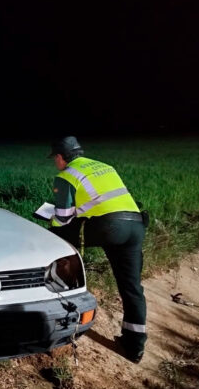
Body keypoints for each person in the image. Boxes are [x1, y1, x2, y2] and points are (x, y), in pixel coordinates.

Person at [47, 136, 147, 363]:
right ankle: (134, 346)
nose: (56, 163)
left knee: (56, 236)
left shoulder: (66, 175)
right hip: (135, 225)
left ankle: (60, 290)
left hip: (110, 227)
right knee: (131, 286)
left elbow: (62, 220)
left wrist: (50, 221)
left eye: (55, 158)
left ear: (61, 157)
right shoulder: (104, 167)